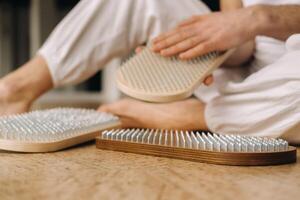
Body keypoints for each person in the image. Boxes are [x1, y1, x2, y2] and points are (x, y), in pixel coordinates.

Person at [0, 0, 299, 142]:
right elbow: (245, 45)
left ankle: (195, 116)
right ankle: (17, 89)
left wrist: (260, 17)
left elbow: (253, 21)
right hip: (251, 86)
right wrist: (206, 48)